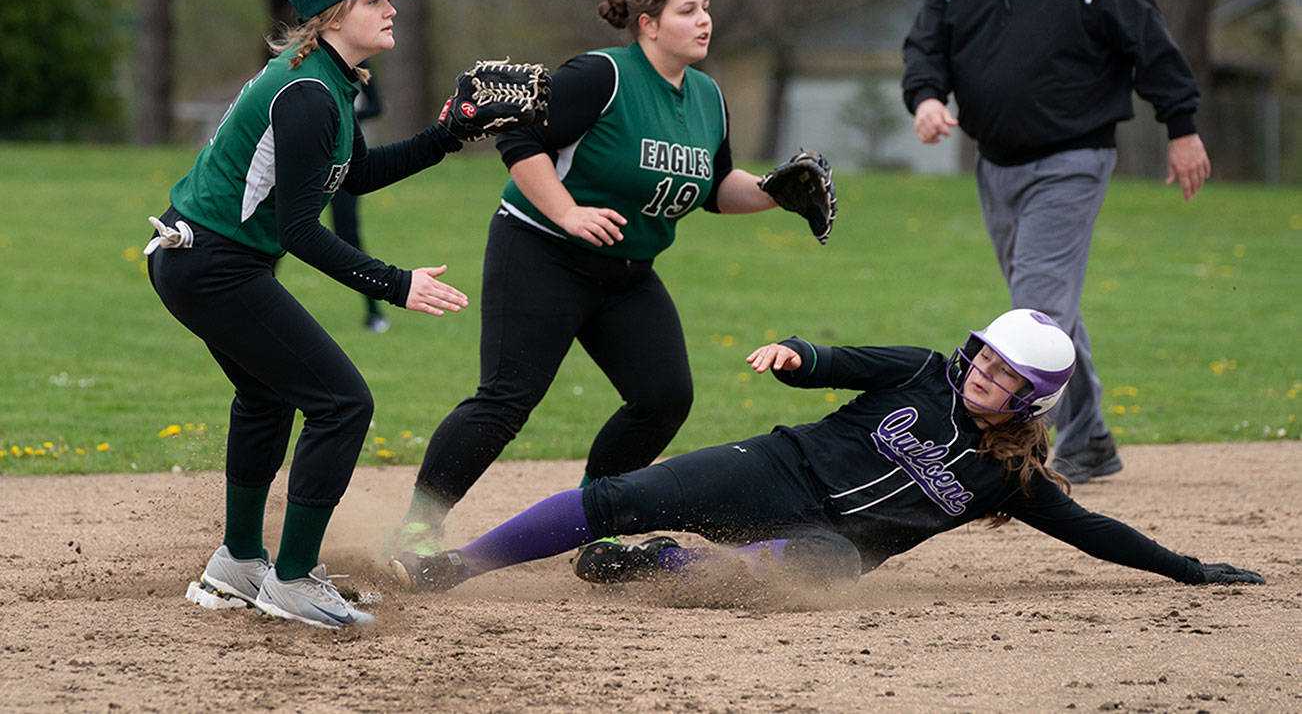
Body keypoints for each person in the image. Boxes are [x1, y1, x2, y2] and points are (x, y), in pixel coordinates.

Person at [384, 0, 822, 559]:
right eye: (687, 10)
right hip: (541, 251)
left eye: (706, 7)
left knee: (663, 397)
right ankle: (418, 524)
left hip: (626, 274)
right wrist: (567, 212)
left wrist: (774, 192)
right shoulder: (602, 76)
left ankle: (591, 515)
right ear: (648, 23)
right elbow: (517, 137)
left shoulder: (706, 96)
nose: (704, 20)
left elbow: (714, 188)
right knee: (508, 396)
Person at [389, 309, 1264, 593]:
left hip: (827, 545)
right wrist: (793, 359)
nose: (985, 373)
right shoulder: (923, 372)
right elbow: (833, 362)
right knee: (619, 495)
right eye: (986, 357)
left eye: (1006, 375)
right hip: (777, 468)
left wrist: (1191, 569)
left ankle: (662, 568)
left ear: (1032, 400)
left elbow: (1094, 533)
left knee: (813, 563)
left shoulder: (1011, 478)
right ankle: (461, 563)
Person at [146, 0, 481, 628]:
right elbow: (301, 229)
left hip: (204, 258)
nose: (391, 8)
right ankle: (292, 580)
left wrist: (447, 136)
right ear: (331, 17)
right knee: (341, 402)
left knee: (268, 394)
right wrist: (395, 284)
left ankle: (240, 563)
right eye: (373, 0)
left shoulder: (328, 79)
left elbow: (352, 174)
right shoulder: (306, 94)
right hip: (213, 264)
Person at [900, 0, 1212, 484]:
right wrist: (926, 97)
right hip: (996, 163)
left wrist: (1181, 127)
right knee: (1046, 304)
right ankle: (1090, 438)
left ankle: (1024, 458)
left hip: (1073, 157)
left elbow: (1151, 46)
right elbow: (925, 46)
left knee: (1036, 305)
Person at [331, 75, 388, 333]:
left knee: (348, 237)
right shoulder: (306, 63)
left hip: (345, 164)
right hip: (309, 161)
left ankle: (374, 311)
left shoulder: (360, 66)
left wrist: (343, 117)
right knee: (278, 232)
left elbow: (376, 107)